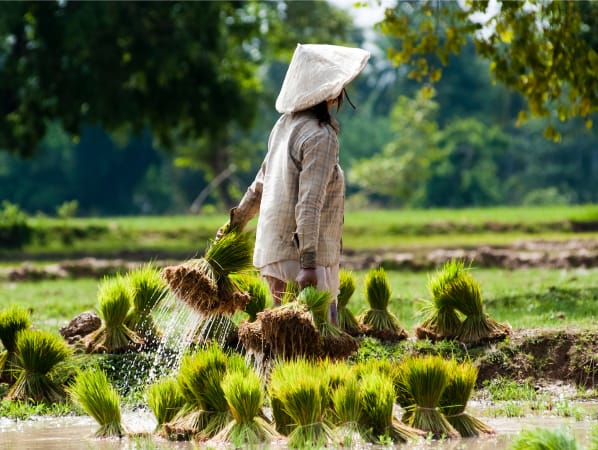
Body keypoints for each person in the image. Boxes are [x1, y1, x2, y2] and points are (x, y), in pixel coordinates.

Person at [218, 43, 370, 324]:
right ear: (330, 90)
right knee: (318, 345)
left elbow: (259, 186)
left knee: (285, 342)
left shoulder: (284, 126)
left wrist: (234, 226)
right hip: (299, 258)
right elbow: (309, 203)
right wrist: (309, 264)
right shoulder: (320, 136)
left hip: (274, 253)